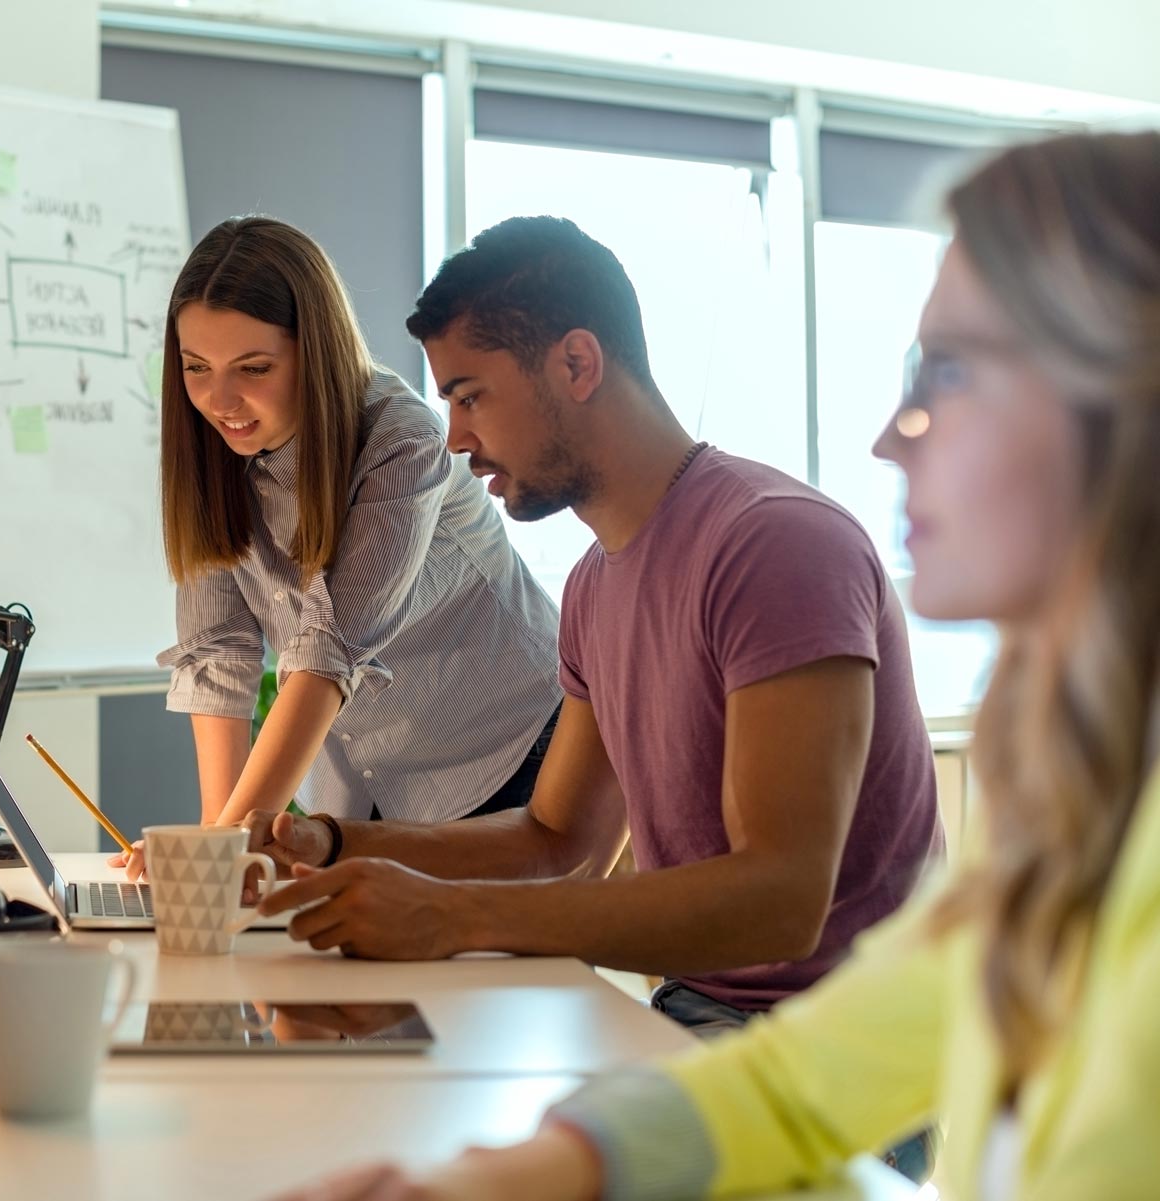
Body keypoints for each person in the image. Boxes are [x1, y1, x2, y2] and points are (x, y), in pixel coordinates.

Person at [275, 129, 1160, 1201]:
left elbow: (781, 906)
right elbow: (575, 855)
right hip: (715, 1020)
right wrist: (492, 1179)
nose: (889, 437)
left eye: (950, 372)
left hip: (763, 1008)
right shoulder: (1065, 830)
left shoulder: (774, 540)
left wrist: (454, 918)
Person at [119, 215, 563, 875]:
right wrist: (214, 843)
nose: (219, 399)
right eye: (196, 367)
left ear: (314, 351)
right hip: (368, 787)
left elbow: (329, 649)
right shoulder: (212, 457)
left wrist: (222, 852)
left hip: (502, 757)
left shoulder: (400, 438)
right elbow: (220, 658)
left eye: (254, 367)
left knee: (475, 977)